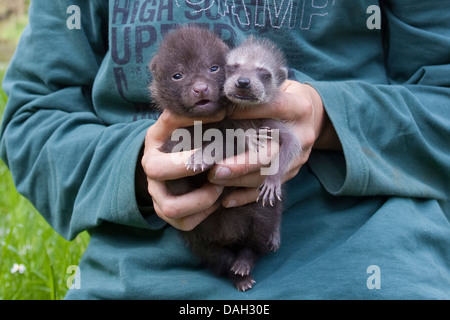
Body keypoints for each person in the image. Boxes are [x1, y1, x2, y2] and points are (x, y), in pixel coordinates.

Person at [1, 0, 449, 300]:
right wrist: (140, 166)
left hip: (362, 267)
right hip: (149, 276)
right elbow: (31, 121)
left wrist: (329, 117)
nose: (205, 85)